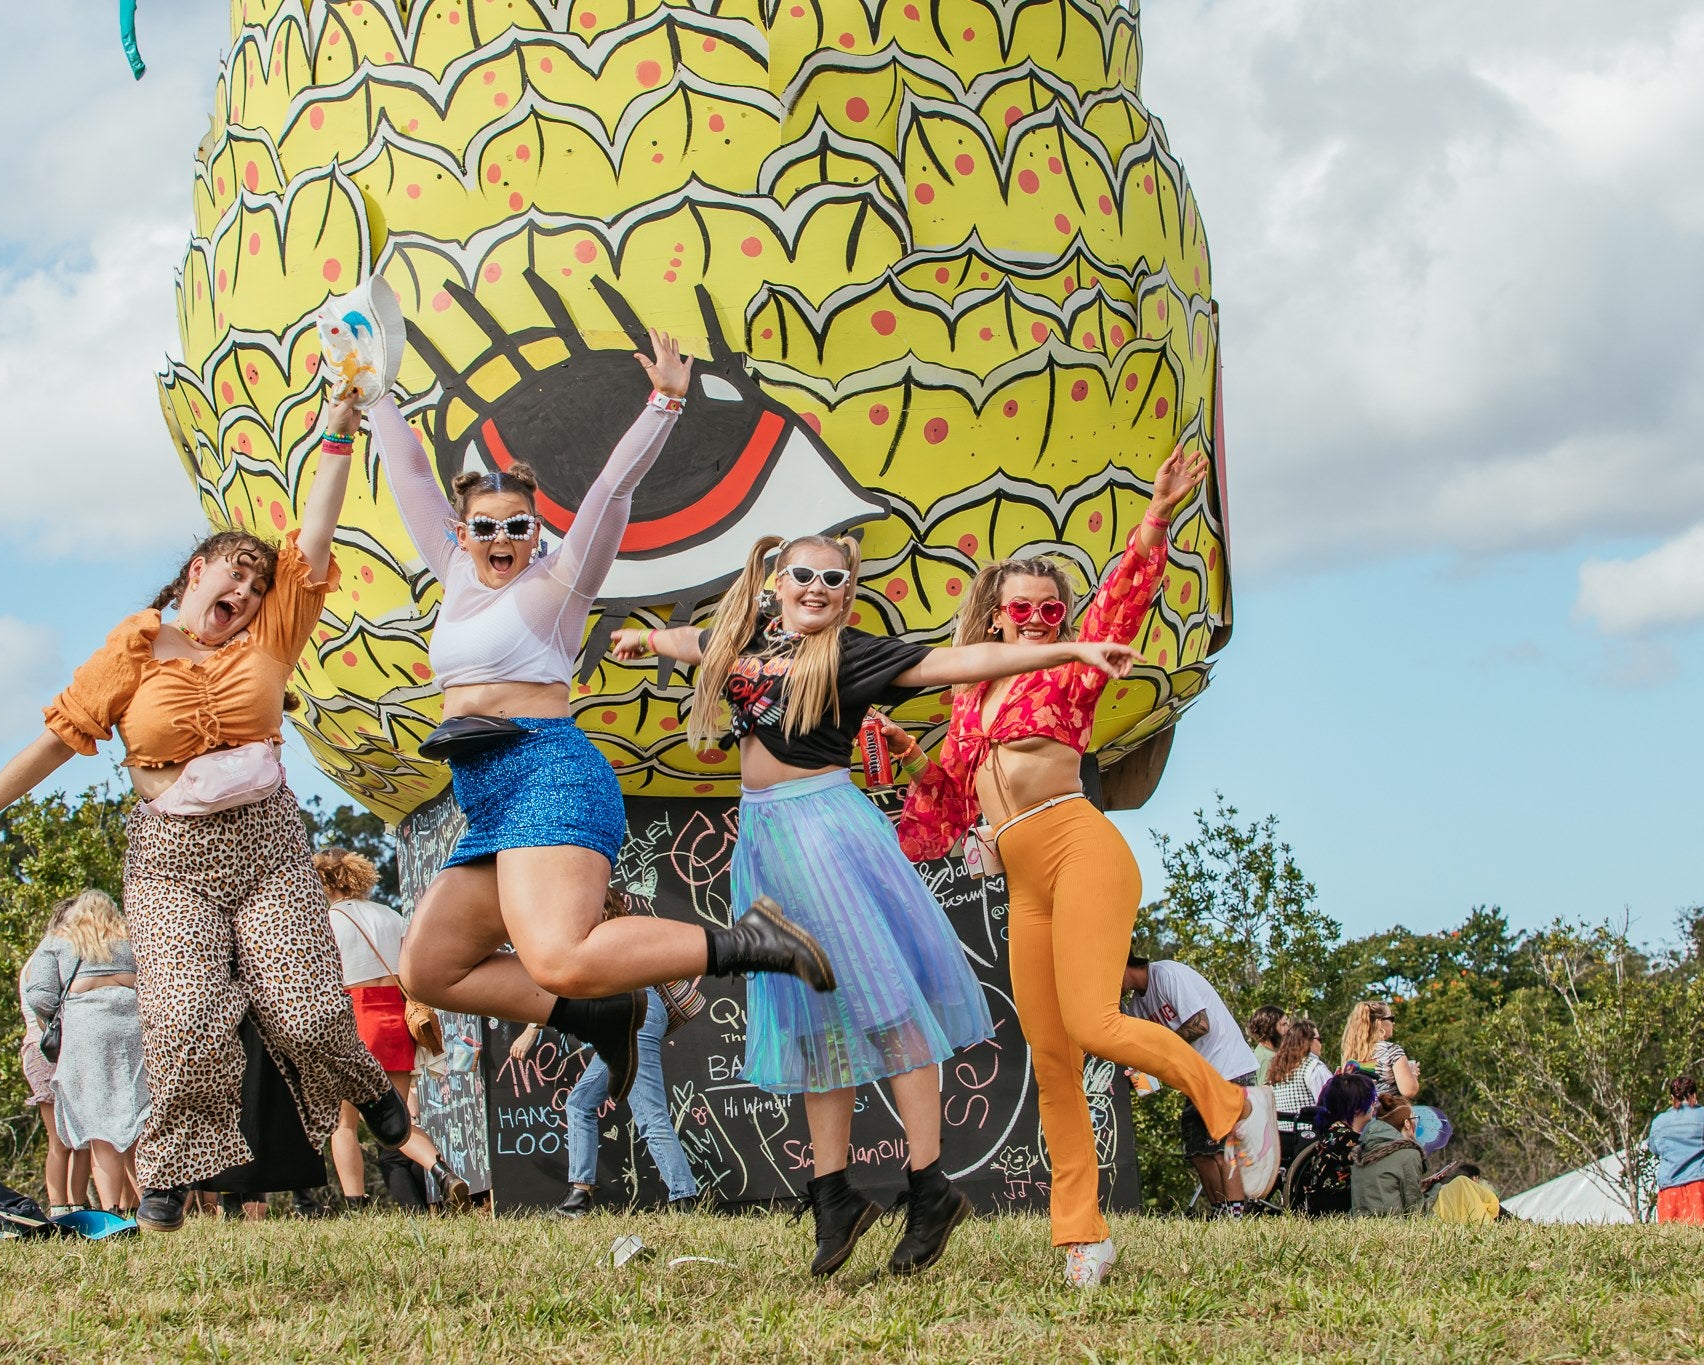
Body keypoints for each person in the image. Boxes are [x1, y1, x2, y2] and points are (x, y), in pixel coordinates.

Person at [0, 379, 418, 1234]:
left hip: (265, 844)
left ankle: (368, 1088)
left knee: (305, 1012)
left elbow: (317, 531)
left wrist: (337, 431)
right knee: (185, 1019)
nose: (251, 592)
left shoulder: (270, 636)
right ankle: (168, 1175)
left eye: (261, 586)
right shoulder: (135, 645)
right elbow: (60, 733)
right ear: (198, 570)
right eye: (238, 573)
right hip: (171, 858)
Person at [613, 533, 1136, 1278]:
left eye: (834, 578)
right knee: (811, 1014)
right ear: (775, 581)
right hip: (765, 838)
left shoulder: (851, 653)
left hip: (824, 832)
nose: (818, 588)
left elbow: (956, 662)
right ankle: (833, 1195)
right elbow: (692, 641)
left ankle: (929, 1187)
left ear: (847, 590)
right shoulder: (744, 643)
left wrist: (1067, 651)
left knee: (885, 1006)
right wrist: (644, 638)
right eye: (804, 575)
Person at [378, 325, 833, 1107]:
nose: (500, 538)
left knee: (557, 952)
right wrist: (373, 388)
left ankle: (750, 940)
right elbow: (412, 473)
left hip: (547, 773)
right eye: (485, 526)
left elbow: (608, 495)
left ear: (536, 533)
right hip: (485, 794)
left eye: (517, 526)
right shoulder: (454, 573)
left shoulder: (558, 586)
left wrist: (665, 402)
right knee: (430, 969)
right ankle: (601, 1010)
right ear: (464, 532)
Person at [887, 444, 1276, 1288]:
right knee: (1053, 1058)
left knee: (1097, 1024)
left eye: (1049, 611)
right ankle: (1081, 1237)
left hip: (1081, 845)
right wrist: (905, 760)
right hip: (1025, 878)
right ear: (993, 616)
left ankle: (1230, 1101)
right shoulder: (965, 699)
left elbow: (1122, 603)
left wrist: (1157, 515)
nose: (1036, 622)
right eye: (1021, 611)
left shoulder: (1068, 673)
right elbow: (951, 802)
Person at [513, 889, 702, 1217]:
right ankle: (578, 1197)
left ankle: (685, 1199)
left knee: (649, 1114)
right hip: (636, 1013)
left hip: (633, 1013)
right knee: (580, 1103)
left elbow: (563, 982)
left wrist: (532, 1028)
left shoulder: (596, 936)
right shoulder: (622, 931)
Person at [316, 848, 470, 1212]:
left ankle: (357, 1206)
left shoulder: (327, 921)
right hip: (397, 1017)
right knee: (396, 1120)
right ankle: (442, 1171)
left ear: (323, 881)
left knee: (345, 1124)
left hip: (354, 1017)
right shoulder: (390, 915)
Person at [24, 889, 150, 1217]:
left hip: (87, 1034)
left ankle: (109, 1210)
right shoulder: (131, 937)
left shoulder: (60, 939)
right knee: (138, 1118)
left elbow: (38, 993)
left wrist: (58, 1016)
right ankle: (151, 1205)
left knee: (99, 1124)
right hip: (132, 1031)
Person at [1122, 957, 1269, 1219]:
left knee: (1225, 1148)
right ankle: (1220, 1211)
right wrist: (1135, 1081)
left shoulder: (1166, 974)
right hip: (1196, 1079)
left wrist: (1162, 1050)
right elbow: (1140, 1055)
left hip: (1228, 1067)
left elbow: (1200, 1023)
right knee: (1198, 1152)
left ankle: (1237, 1216)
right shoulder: (1136, 1007)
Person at [20, 901, 87, 1215]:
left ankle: (77, 1204)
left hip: (60, 1050)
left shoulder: (52, 955)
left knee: (81, 1137)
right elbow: (43, 1009)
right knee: (61, 1136)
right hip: (45, 1050)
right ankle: (60, 1206)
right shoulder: (48, 956)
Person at [1286, 1071, 1377, 1216]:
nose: (1375, 1104)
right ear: (1358, 1108)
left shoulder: (1332, 1133)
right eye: (1372, 1100)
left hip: (1317, 1206)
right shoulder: (1351, 1140)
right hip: (1338, 1208)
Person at [1264, 1017, 1334, 1166]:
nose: (1321, 1043)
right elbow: (1332, 1105)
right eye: (1319, 1039)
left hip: (1283, 1140)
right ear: (1307, 1041)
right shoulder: (1314, 1068)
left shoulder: (1278, 1072)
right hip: (1310, 1138)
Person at [1350, 1093, 1425, 1215]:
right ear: (1407, 1123)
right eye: (1414, 1118)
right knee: (1459, 1185)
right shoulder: (1409, 1154)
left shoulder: (1362, 1151)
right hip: (1395, 1223)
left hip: (1361, 1222)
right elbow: (1415, 1208)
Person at [1647, 1075, 1704, 1224]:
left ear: (1673, 1097)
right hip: (1700, 1186)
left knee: (1673, 1242)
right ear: (1694, 1095)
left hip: (1670, 1190)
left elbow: (1654, 1148)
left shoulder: (1659, 1121)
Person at [1340, 1001, 1418, 1099]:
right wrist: (1413, 1074)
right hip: (1387, 1113)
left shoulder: (1352, 1055)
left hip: (1363, 1113)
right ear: (1379, 1022)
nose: (1393, 1023)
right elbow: (1409, 1091)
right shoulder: (1392, 1051)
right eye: (1391, 1018)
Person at [1245, 1006, 1289, 1085]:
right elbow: (1266, 1091)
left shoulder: (1267, 1051)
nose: (1287, 1029)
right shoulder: (1267, 1058)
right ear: (1270, 1028)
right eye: (1283, 1025)